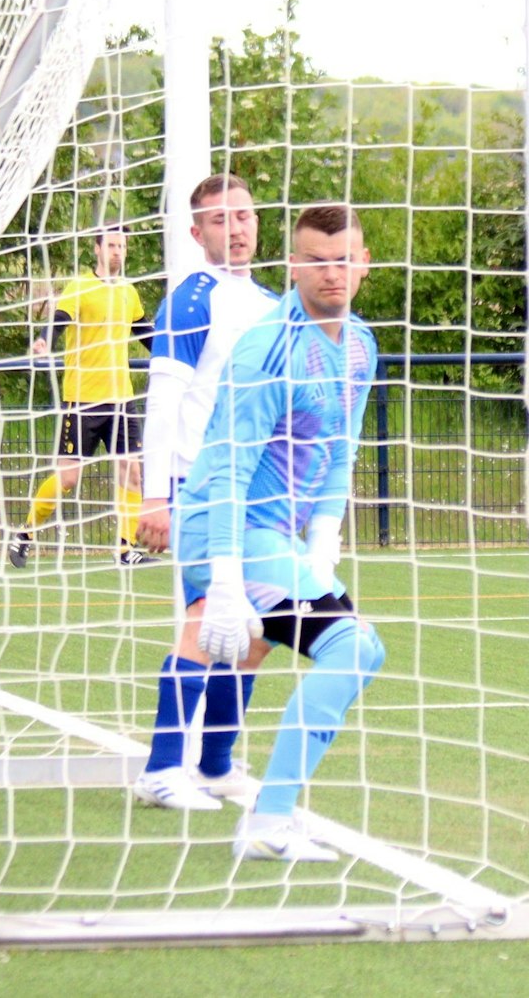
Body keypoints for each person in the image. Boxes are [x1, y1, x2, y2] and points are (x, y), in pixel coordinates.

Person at [156, 203, 381, 863]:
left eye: (343, 260)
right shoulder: (267, 344)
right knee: (353, 648)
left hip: (273, 536)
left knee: (275, 650)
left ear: (364, 263)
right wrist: (223, 580)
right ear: (294, 265)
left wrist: (322, 544)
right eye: (316, 261)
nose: (331, 274)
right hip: (220, 528)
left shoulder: (360, 344)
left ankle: (223, 773)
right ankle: (266, 819)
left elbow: (340, 447)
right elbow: (226, 465)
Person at [130, 174, 279, 811]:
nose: (236, 228)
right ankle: (163, 769)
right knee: (203, 621)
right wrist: (156, 495)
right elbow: (164, 403)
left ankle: (215, 766)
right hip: (198, 487)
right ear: (198, 234)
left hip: (256, 492)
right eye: (220, 220)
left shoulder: (272, 305)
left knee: (258, 629)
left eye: (243, 215)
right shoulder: (192, 301)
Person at [7, 225, 151, 567]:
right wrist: (45, 341)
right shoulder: (80, 288)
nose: (118, 251)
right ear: (97, 249)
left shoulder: (129, 292)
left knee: (132, 473)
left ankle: (125, 549)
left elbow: (147, 334)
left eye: (122, 246)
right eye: (112, 245)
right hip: (82, 400)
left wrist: (180, 353)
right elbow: (58, 321)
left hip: (121, 399)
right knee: (68, 479)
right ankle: (25, 532)